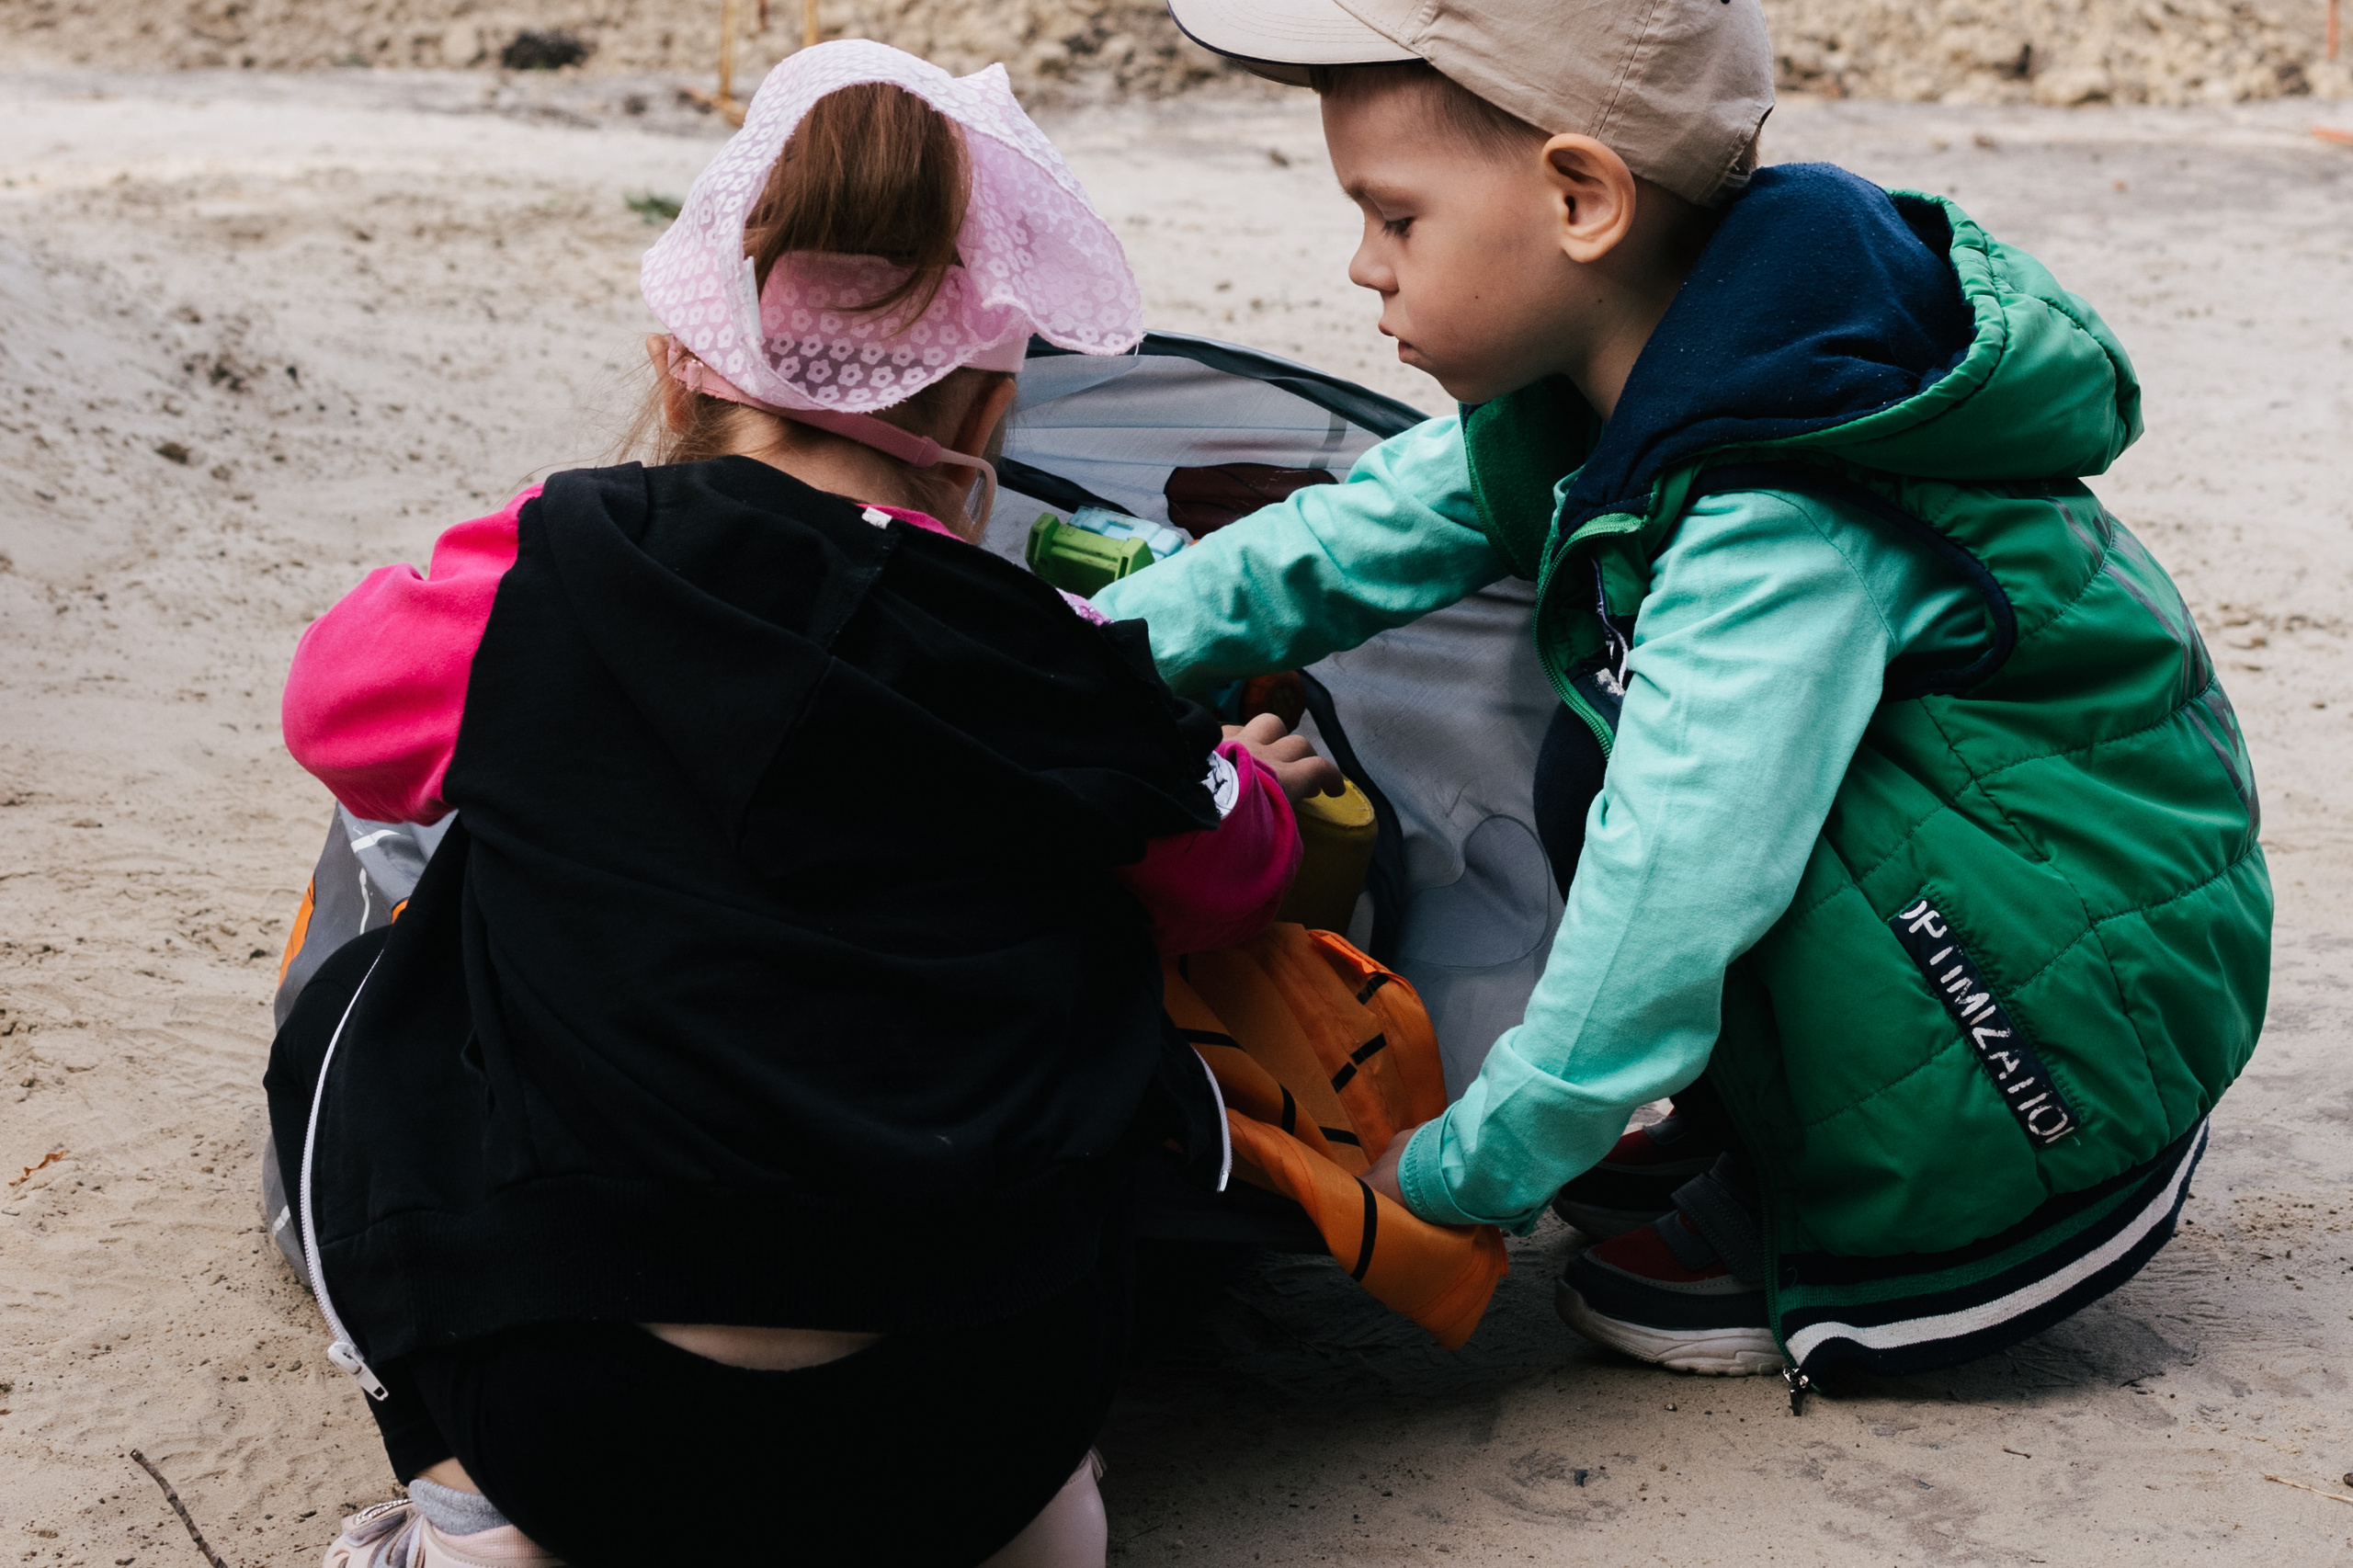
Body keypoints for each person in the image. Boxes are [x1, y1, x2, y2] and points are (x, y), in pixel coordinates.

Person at [267, 41, 1336, 1568]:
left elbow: (335, 710)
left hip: (581, 1413)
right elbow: (1242, 878)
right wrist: (1246, 777)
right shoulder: (1065, 661)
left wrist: (523, 580)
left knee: (371, 994)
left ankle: (466, 1500)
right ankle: (1047, 1510)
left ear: (677, 365)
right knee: (1119, 1008)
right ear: (985, 420)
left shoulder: (556, 568)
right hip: (978, 1424)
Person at [1104, 0, 2268, 1386]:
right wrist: (1056, 646)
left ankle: (1888, 1196)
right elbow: (1341, 542)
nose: (1362, 267)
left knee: (1654, 768)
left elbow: (1677, 875)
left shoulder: (1776, 504)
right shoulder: (1643, 372)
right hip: (2041, 907)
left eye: (1395, 218)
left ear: (1583, 199)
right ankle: (1778, 1111)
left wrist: (1481, 1160)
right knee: (1606, 729)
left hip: (2061, 1035)